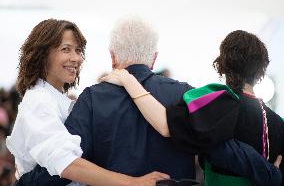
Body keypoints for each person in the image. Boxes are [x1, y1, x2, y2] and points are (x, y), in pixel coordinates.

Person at [16, 17, 281, 186]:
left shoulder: (92, 99)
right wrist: (270, 173)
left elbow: (65, 166)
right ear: (154, 58)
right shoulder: (185, 95)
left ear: (112, 56)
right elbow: (220, 148)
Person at [100, 30, 284, 185]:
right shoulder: (278, 122)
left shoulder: (221, 103)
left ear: (222, 65)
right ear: (261, 69)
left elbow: (166, 125)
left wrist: (127, 80)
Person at [6, 18, 169, 186]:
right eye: (66, 49)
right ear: (42, 54)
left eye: (78, 50)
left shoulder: (57, 99)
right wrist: (133, 183)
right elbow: (67, 164)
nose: (75, 58)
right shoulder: (38, 101)